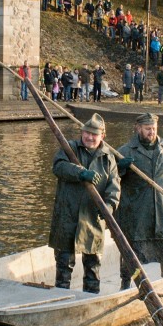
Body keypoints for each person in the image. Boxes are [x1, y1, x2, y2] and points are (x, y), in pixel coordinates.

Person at [115, 114, 163, 290]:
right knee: (130, 254)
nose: (151, 132)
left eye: (154, 128)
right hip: (136, 214)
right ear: (138, 128)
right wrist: (119, 168)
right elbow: (109, 179)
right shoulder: (124, 151)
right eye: (148, 129)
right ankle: (125, 285)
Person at [49, 113, 120, 294]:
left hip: (93, 220)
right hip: (67, 217)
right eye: (86, 133)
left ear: (102, 136)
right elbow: (58, 167)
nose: (89, 137)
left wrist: (109, 207)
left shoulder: (108, 158)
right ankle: (61, 298)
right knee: (64, 266)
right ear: (82, 132)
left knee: (93, 268)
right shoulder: (69, 148)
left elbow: (114, 189)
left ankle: (90, 298)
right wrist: (80, 173)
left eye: (94, 134)